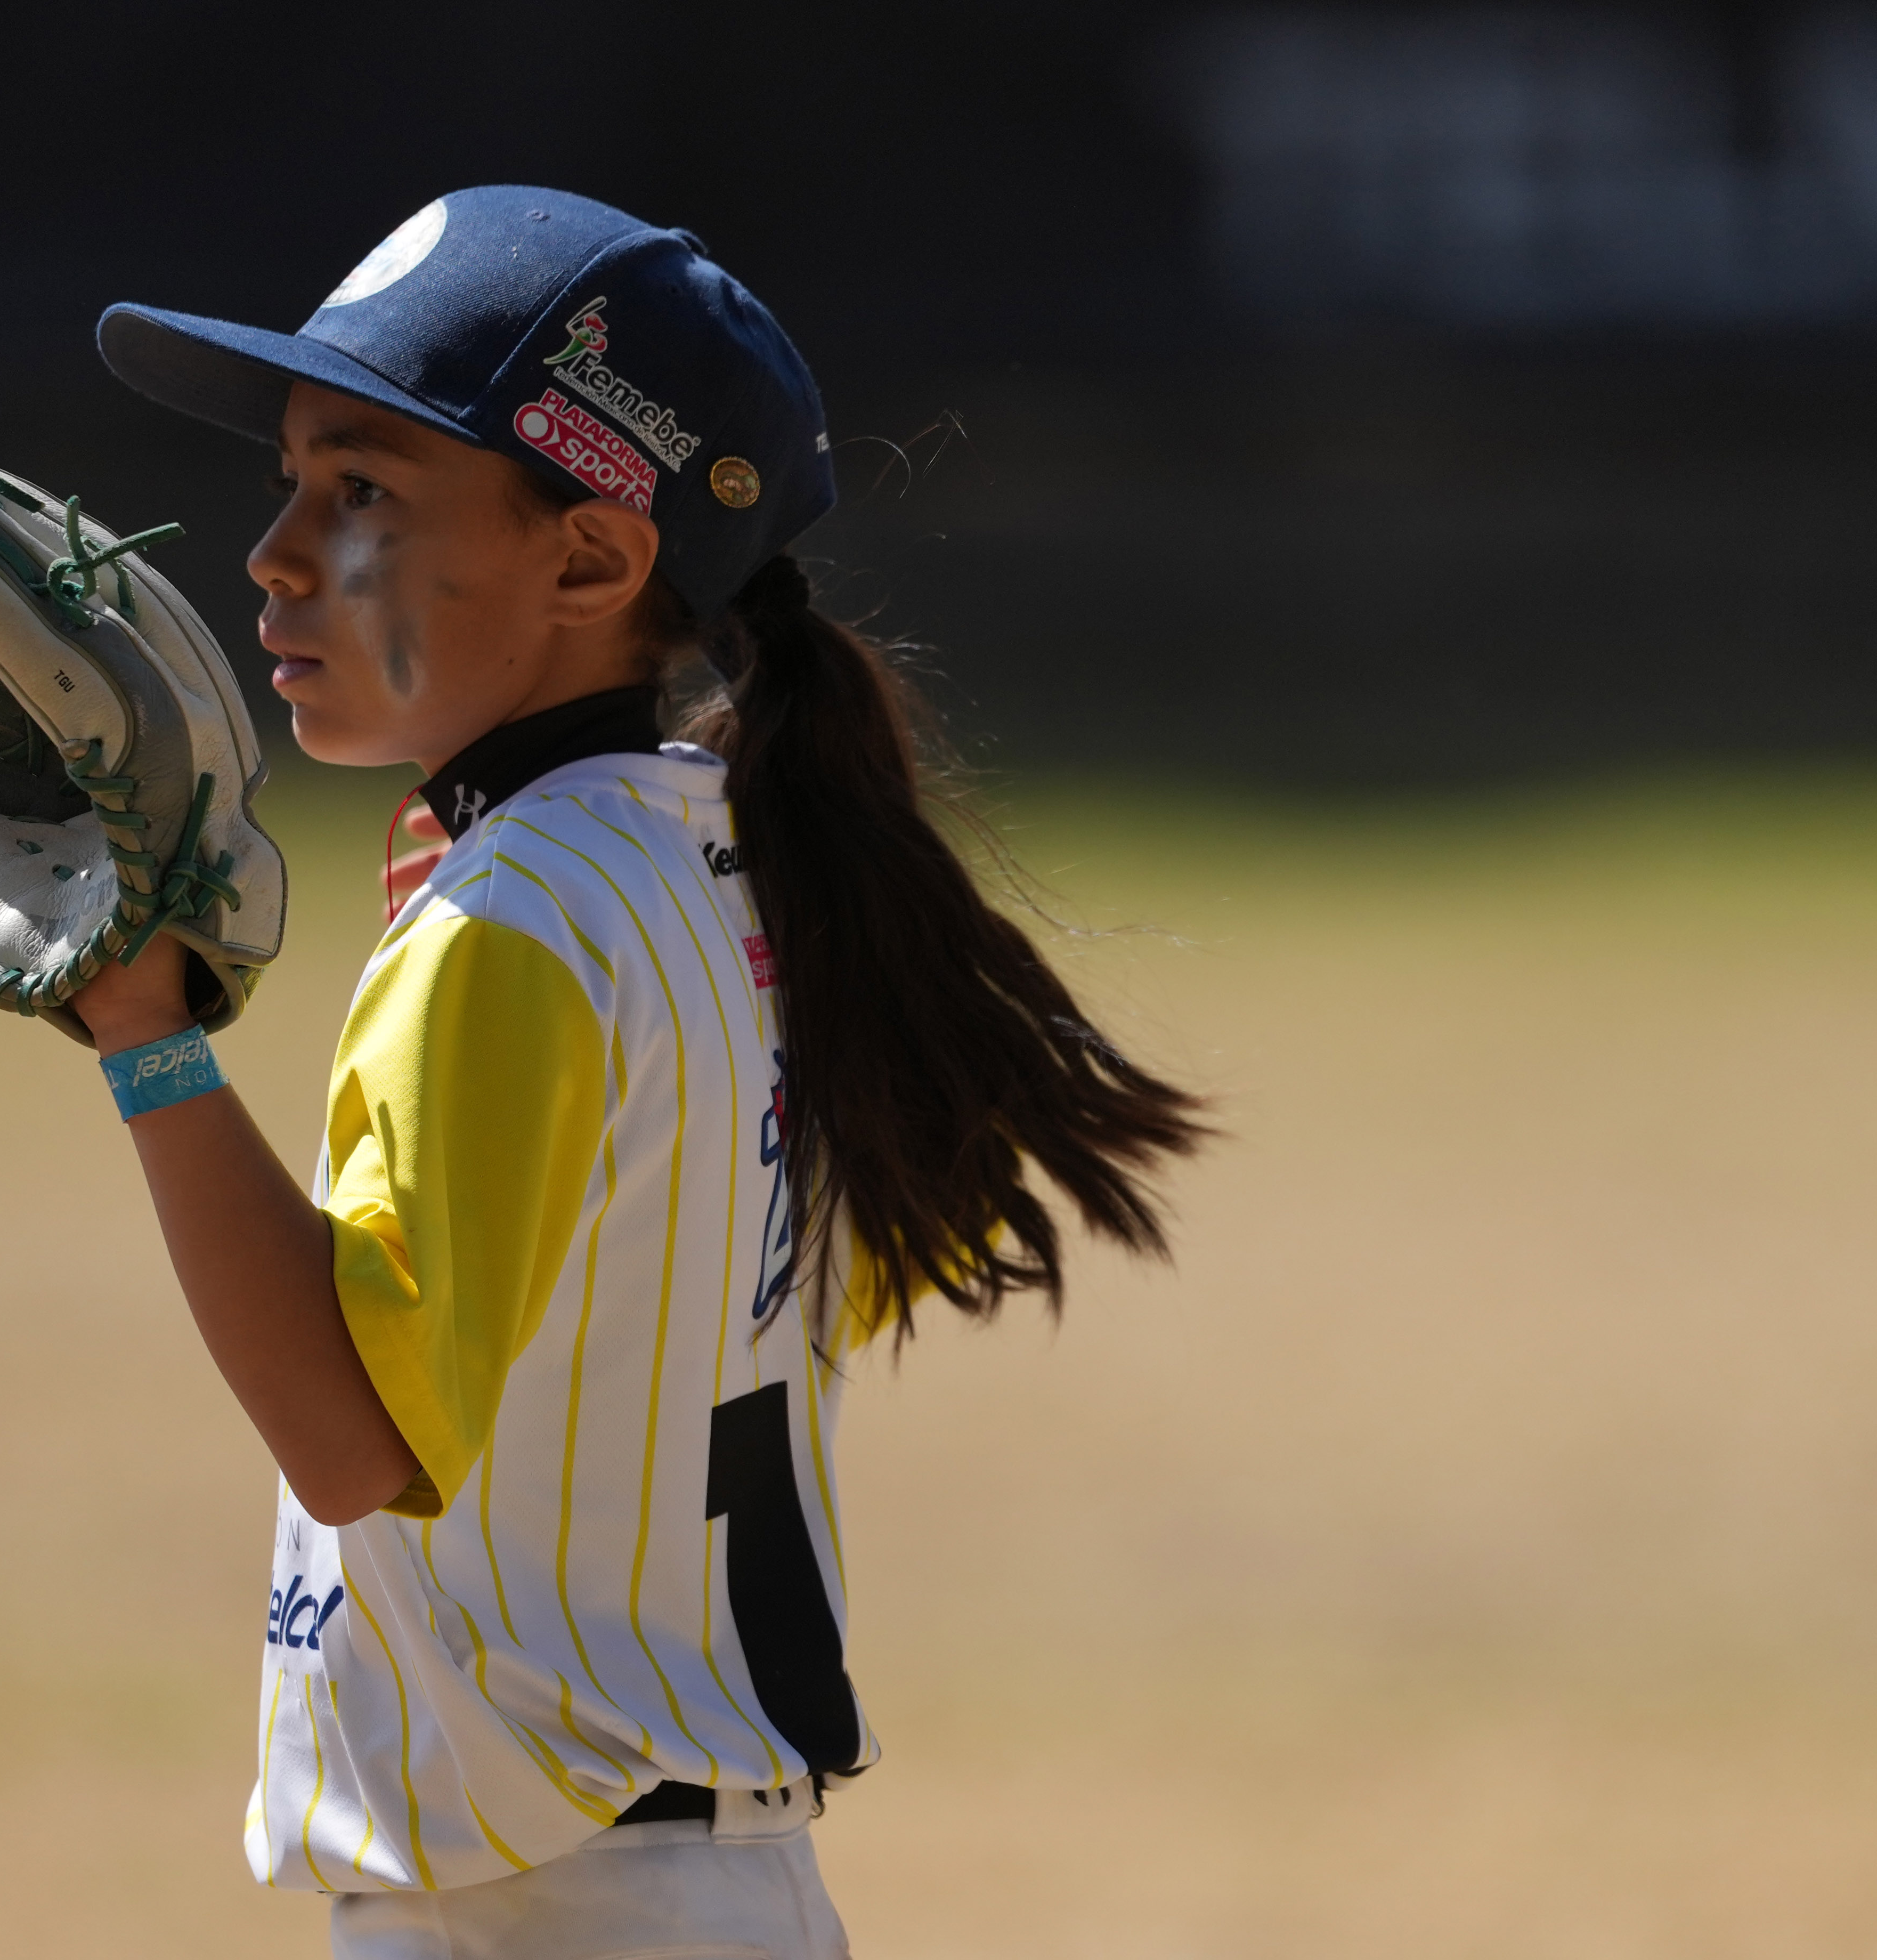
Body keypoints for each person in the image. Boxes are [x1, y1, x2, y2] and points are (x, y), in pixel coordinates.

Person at [72, 187, 1205, 1960]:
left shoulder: (520, 920)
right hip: (685, 1881)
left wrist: (148, 1043)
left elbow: (353, 1439)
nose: (276, 554)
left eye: (362, 492)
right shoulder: (731, 859)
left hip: (543, 1904)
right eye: (291, 480)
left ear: (593, 564)